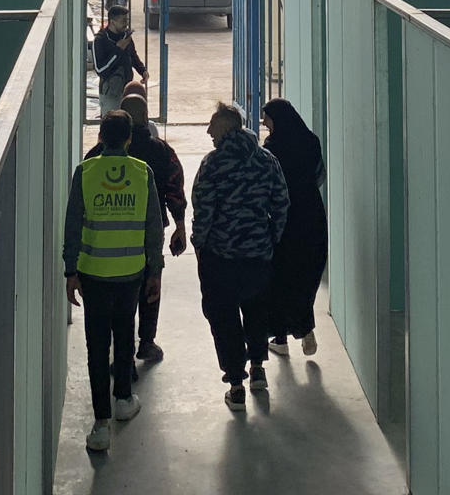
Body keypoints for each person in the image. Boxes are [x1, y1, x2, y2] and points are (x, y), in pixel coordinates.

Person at [64, 111, 164, 452]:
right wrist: (155, 271)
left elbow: (73, 224)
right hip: (130, 272)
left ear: (100, 137)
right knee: (124, 336)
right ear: (129, 139)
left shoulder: (85, 172)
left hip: (93, 273)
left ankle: (101, 424)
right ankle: (124, 399)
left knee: (96, 346)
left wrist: (70, 271)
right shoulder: (142, 173)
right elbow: (154, 228)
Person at [190, 99, 289, 410]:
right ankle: (258, 368)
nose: (208, 130)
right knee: (257, 310)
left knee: (224, 318)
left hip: (221, 257)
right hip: (258, 255)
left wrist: (200, 243)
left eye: (213, 125)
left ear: (227, 127)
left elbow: (203, 210)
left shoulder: (213, 164)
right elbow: (281, 202)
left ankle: (236, 383)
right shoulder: (266, 160)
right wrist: (270, 237)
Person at [86, 91, 188, 361]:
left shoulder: (95, 156)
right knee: (150, 282)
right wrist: (180, 225)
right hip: (148, 234)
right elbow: (175, 189)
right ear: (145, 117)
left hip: (105, 240)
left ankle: (120, 349)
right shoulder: (162, 150)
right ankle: (146, 341)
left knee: (115, 293)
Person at [260, 98, 328, 358]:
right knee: (306, 273)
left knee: (281, 276)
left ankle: (280, 338)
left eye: (268, 119)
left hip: (285, 218)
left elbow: (270, 186)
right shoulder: (311, 141)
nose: (265, 124)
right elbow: (319, 175)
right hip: (311, 214)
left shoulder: (272, 148)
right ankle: (305, 330)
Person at [92, 4, 147, 118]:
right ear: (112, 22)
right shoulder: (100, 40)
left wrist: (142, 70)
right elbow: (100, 69)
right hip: (110, 93)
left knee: (128, 123)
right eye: (123, 21)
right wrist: (118, 50)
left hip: (126, 88)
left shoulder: (125, 36)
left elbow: (132, 55)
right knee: (112, 126)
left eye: (127, 20)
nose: (126, 24)